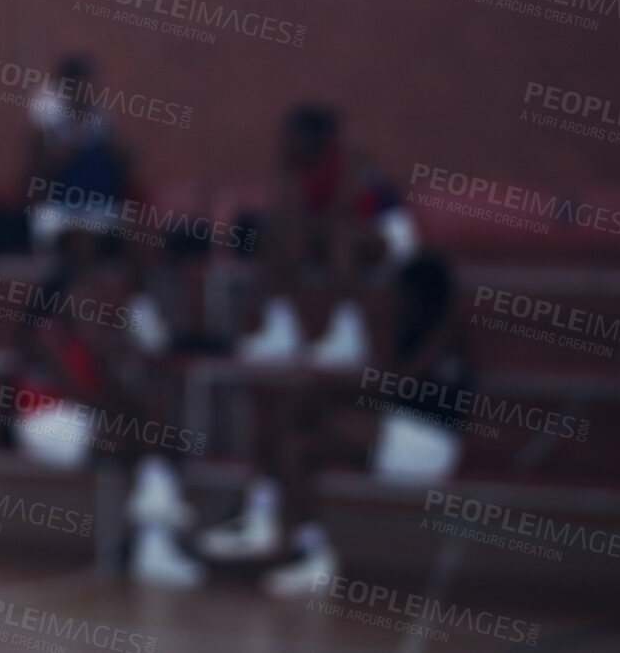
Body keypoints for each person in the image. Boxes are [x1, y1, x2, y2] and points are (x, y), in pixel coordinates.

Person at [197, 254, 468, 597]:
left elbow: (399, 385)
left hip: (428, 446)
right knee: (295, 446)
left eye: (401, 293)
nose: (394, 299)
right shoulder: (410, 327)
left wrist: (338, 386)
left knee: (311, 409)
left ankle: (260, 507)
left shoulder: (446, 331)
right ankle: (310, 551)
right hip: (396, 434)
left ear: (421, 295)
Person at [237, 103, 418, 368]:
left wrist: (308, 228)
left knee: (339, 237)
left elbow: (341, 212)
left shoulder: (349, 158)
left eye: (290, 138)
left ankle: (349, 333)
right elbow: (285, 216)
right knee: (279, 239)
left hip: (387, 232)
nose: (286, 144)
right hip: (336, 230)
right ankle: (282, 328)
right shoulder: (299, 166)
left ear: (311, 137)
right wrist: (284, 171)